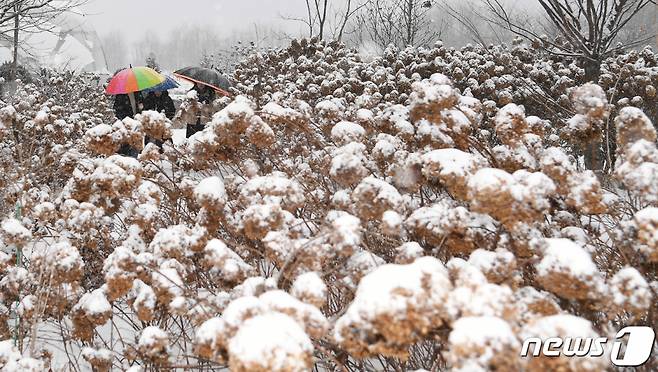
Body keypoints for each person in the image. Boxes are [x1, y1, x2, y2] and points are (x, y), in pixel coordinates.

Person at [113, 92, 142, 157]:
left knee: (136, 141)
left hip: (136, 122)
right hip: (126, 123)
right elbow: (117, 109)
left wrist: (140, 108)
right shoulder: (121, 95)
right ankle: (127, 157)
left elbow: (141, 104)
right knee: (127, 142)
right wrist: (126, 118)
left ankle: (134, 158)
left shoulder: (137, 93)